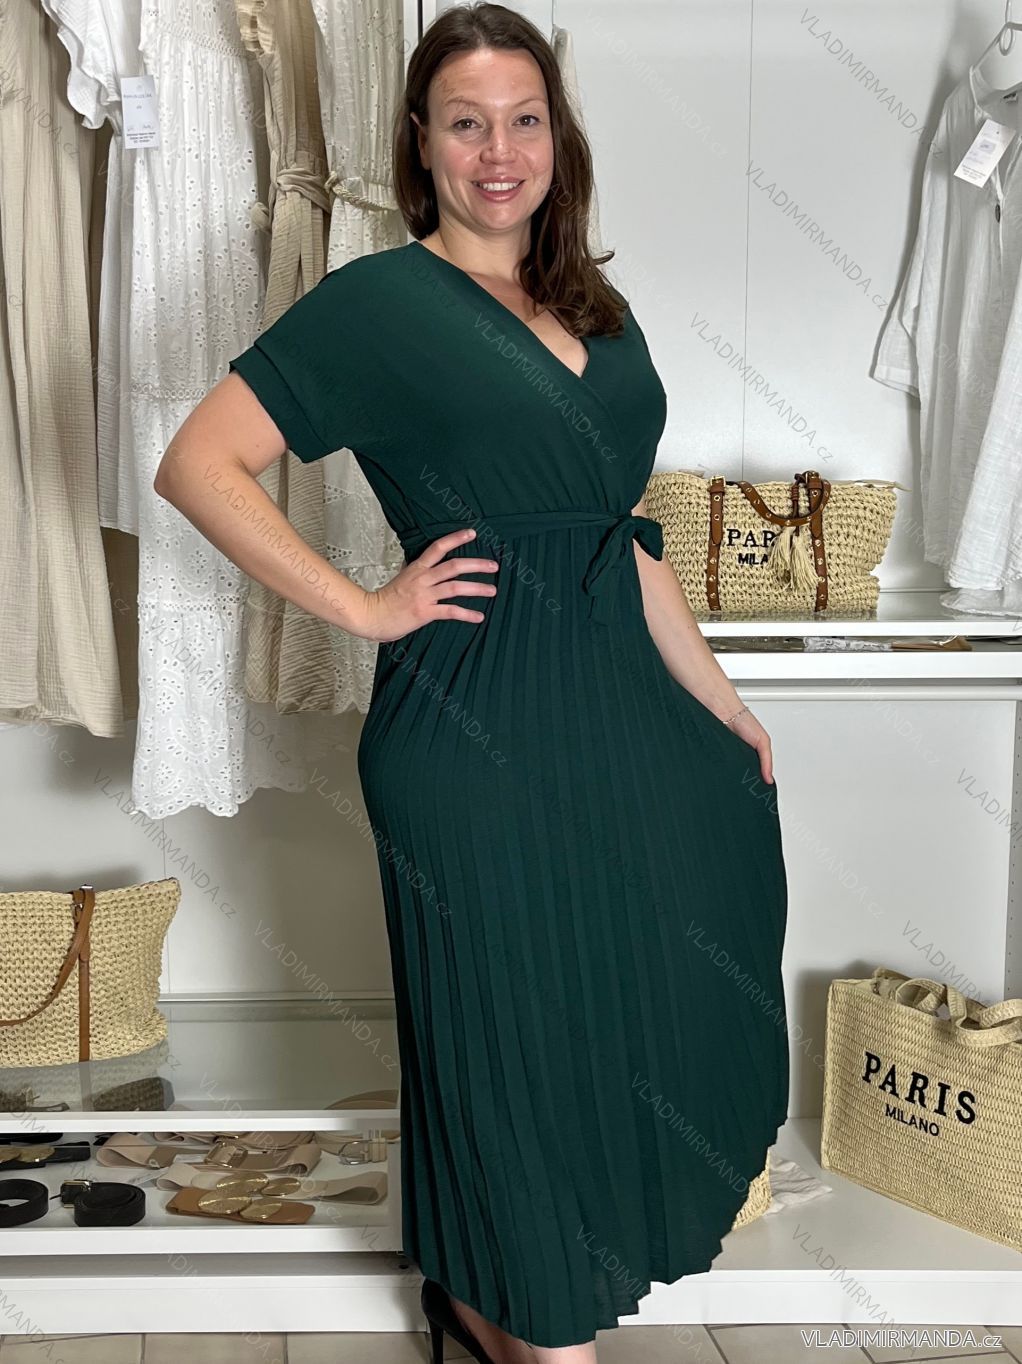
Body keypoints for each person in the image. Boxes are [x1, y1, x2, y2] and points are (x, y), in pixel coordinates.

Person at [154, 4, 790, 1360]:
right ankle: (536, 1323)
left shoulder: (598, 309)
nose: (499, 152)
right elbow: (197, 464)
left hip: (622, 718)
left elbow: (621, 539)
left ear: (557, 138)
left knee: (638, 1007)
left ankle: (481, 1287)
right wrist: (366, 607)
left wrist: (724, 705)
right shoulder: (378, 305)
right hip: (473, 724)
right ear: (422, 144)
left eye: (523, 120)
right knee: (510, 1037)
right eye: (465, 123)